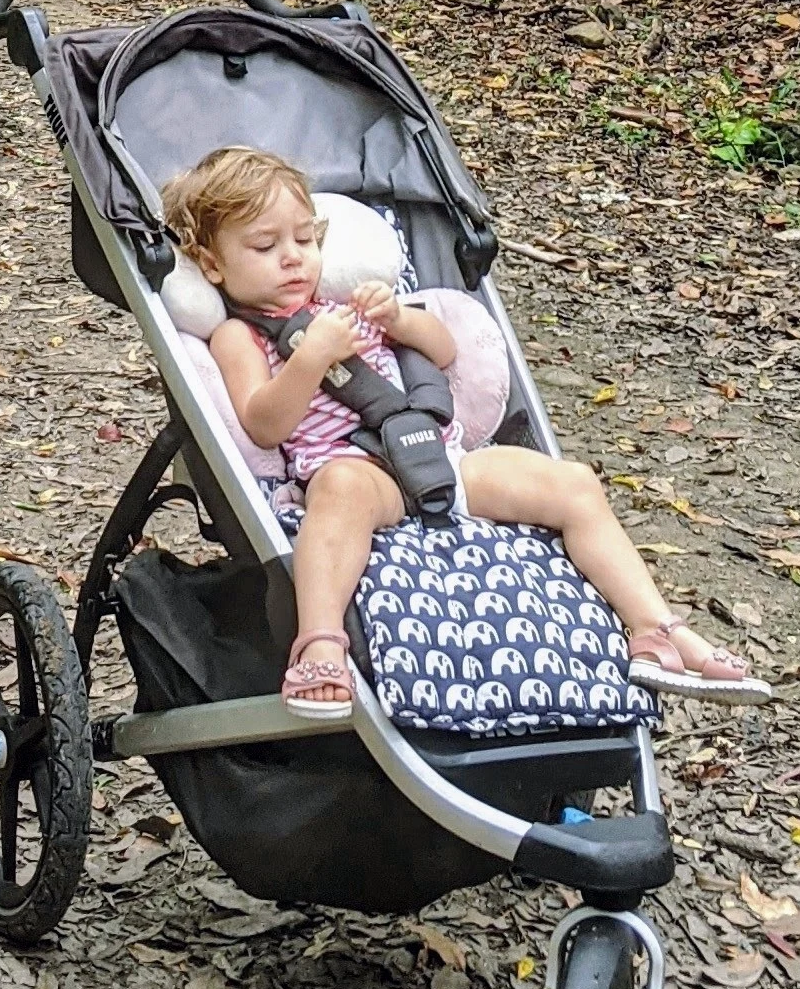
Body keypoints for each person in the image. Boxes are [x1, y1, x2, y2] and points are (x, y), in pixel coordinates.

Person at [163, 145, 761, 722]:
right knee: (340, 491)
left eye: (304, 239)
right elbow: (263, 424)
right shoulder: (241, 337)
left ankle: (656, 630)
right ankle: (320, 645)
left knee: (574, 485)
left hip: (440, 455)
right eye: (265, 246)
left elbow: (443, 352)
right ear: (212, 264)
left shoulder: (343, 305)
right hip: (355, 470)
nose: (293, 258)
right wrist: (310, 359)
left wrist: (400, 320)